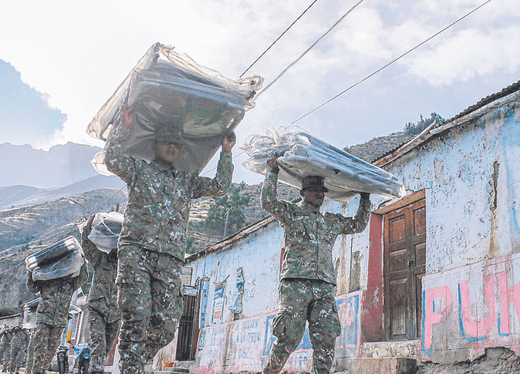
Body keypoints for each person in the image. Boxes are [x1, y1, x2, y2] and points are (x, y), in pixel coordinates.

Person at [104, 116, 236, 374]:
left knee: (165, 326)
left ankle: (137, 360)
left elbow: (220, 187)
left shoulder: (186, 181)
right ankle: (132, 366)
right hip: (137, 254)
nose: (173, 147)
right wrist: (125, 127)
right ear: (155, 145)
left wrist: (226, 152)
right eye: (167, 142)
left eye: (177, 144)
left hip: (170, 260)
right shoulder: (139, 171)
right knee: (136, 316)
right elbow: (113, 160)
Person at [260, 156, 370, 374]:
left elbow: (358, 224)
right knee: (288, 337)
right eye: (313, 190)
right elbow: (268, 203)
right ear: (302, 192)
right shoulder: (291, 213)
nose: (319, 194)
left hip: (324, 288)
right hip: (295, 285)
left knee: (326, 339)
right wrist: (271, 173)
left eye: (321, 191)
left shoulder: (330, 220)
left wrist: (365, 197)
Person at [26, 263, 88, 374]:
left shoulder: (71, 283)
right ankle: (36, 371)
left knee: (52, 349)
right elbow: (31, 288)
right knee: (40, 347)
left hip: (59, 321)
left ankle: (43, 369)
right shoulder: (47, 279)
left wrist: (84, 264)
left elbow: (83, 278)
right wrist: (30, 272)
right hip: (44, 318)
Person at [80, 215, 120, 374]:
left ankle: (93, 368)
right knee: (99, 345)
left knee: (107, 348)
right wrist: (87, 228)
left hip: (115, 313)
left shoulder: (126, 266)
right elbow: (87, 246)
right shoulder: (100, 259)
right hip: (97, 308)